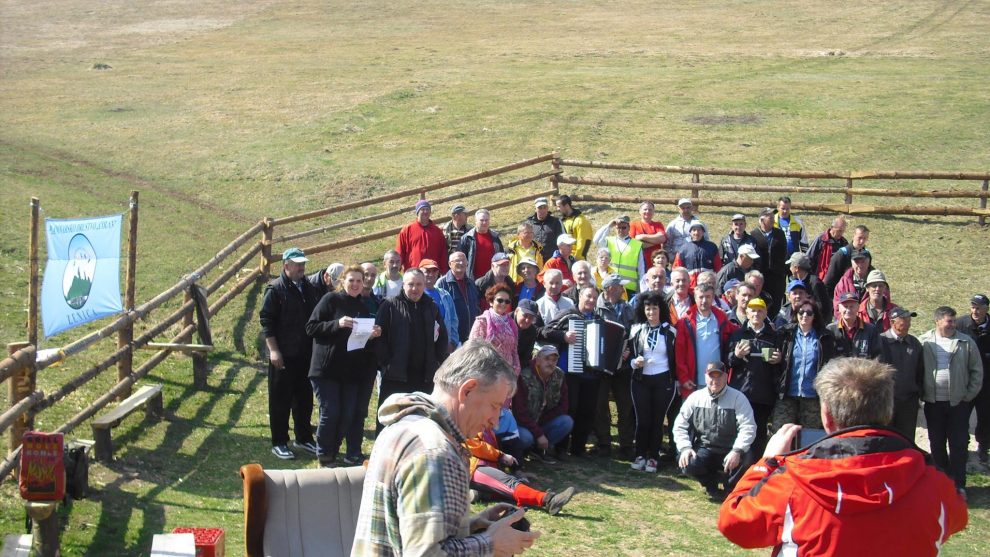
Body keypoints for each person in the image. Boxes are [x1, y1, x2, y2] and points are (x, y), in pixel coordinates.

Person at [718, 357, 968, 556]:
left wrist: (767, 463)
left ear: (827, 417)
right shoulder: (934, 482)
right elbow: (956, 518)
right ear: (888, 411)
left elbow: (734, 522)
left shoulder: (792, 481)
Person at [353, 340, 540, 556]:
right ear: (467, 390)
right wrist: (490, 543)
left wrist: (469, 526)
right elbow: (425, 553)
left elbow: (405, 532)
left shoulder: (402, 426)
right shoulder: (435, 452)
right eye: (494, 406)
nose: (496, 421)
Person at [305, 265, 382, 466]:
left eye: (359, 281)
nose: (355, 284)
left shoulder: (363, 307)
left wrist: (372, 336)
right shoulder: (330, 299)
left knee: (347, 414)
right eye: (351, 280)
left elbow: (359, 341)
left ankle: (334, 450)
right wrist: (336, 324)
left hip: (350, 371)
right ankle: (324, 455)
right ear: (342, 281)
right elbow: (311, 327)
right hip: (326, 368)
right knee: (331, 411)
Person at [259, 247, 321, 460]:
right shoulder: (275, 289)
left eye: (303, 264)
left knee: (304, 398)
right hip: (283, 354)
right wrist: (274, 351)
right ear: (286, 265)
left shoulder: (307, 287)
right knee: (280, 400)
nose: (302, 268)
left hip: (305, 353)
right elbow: (267, 322)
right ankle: (279, 442)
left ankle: (303, 437)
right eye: (298, 264)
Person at [919, 306, 984, 496]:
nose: (953, 324)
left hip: (958, 404)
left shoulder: (966, 342)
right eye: (949, 321)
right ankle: (941, 483)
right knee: (936, 443)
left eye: (954, 321)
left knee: (958, 444)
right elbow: (917, 369)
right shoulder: (924, 342)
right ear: (937, 321)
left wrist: (968, 395)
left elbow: (977, 371)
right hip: (933, 404)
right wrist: (922, 394)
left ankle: (959, 484)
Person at [374, 269, 449, 430]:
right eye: (411, 284)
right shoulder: (389, 305)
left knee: (421, 423)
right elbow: (379, 338)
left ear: (424, 285)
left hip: (425, 377)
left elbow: (442, 337)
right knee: (390, 422)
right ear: (403, 285)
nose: (415, 288)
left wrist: (437, 362)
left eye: (419, 284)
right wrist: (386, 363)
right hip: (396, 377)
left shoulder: (432, 307)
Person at [675, 361, 756, 499]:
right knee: (687, 463)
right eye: (711, 376)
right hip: (705, 448)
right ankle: (710, 485)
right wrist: (685, 448)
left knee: (748, 458)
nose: (715, 381)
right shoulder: (695, 398)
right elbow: (679, 425)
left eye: (719, 376)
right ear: (705, 377)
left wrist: (737, 450)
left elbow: (748, 427)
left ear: (726, 377)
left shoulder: (738, 398)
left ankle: (730, 488)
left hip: (730, 449)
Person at [544, 287, 603, 456]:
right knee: (570, 408)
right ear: (580, 296)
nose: (591, 300)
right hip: (569, 372)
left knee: (587, 411)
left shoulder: (598, 320)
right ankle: (561, 448)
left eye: (595, 298)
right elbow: (545, 331)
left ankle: (578, 448)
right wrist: (563, 336)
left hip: (591, 374)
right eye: (588, 296)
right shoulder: (568, 314)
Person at [465, 430, 576, 515]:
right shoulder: (471, 420)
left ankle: (481, 494)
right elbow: (473, 445)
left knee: (513, 485)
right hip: (474, 468)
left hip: (485, 467)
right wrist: (500, 455)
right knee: (510, 484)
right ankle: (549, 500)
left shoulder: (486, 423)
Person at [628, 290, 678, 473]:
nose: (651, 312)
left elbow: (676, 357)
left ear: (661, 309)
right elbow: (628, 355)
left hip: (663, 379)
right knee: (642, 420)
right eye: (647, 308)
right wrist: (634, 362)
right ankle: (640, 455)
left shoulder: (671, 331)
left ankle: (654, 457)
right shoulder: (636, 329)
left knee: (657, 420)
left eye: (654, 308)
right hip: (640, 379)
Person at [727, 297, 782, 454]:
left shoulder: (774, 336)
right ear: (747, 313)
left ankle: (756, 463)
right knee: (738, 429)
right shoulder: (737, 335)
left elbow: (782, 366)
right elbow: (727, 361)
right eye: (753, 310)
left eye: (760, 310)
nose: (756, 314)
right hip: (740, 392)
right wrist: (736, 355)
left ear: (765, 313)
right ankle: (736, 462)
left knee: (759, 431)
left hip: (764, 394)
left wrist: (779, 360)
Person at [772, 299, 834, 433]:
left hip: (812, 395)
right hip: (787, 393)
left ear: (814, 316)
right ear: (796, 314)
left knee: (810, 435)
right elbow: (777, 361)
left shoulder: (824, 336)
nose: (805, 315)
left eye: (809, 313)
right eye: (801, 312)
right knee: (780, 432)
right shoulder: (785, 333)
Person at [592, 275, 637, 458]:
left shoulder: (628, 308)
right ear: (610, 288)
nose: (622, 289)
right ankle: (604, 444)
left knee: (625, 406)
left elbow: (634, 334)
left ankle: (626, 445)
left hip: (623, 367)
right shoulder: (596, 308)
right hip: (602, 366)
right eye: (619, 286)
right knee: (600, 405)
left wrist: (629, 351)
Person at [675, 283, 737, 401]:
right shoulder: (685, 321)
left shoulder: (721, 318)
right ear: (695, 297)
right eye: (701, 297)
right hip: (694, 381)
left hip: (717, 380)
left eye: (708, 297)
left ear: (713, 297)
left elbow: (735, 332)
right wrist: (683, 377)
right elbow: (680, 353)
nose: (704, 300)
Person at [513, 344, 574, 458]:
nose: (550, 363)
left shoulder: (560, 375)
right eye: (547, 359)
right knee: (526, 438)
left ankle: (538, 450)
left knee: (566, 422)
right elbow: (520, 413)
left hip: (542, 422)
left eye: (554, 360)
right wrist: (538, 434)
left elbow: (563, 406)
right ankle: (522, 451)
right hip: (522, 424)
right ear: (538, 360)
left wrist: (540, 427)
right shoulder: (524, 376)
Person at [881, 306, 924, 440]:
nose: (908, 322)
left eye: (909, 319)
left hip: (908, 403)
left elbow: (920, 371)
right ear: (892, 322)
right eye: (904, 319)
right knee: (886, 439)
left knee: (906, 439)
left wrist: (918, 393)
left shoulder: (914, 343)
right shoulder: (880, 341)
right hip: (885, 402)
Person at [958, 294, 990, 464]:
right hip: (966, 380)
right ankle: (962, 446)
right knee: (962, 416)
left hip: (987, 381)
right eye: (973, 307)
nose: (975, 311)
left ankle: (983, 447)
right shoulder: (961, 324)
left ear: (986, 309)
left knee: (986, 416)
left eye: (978, 308)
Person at [470, 284, 522, 377]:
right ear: (491, 302)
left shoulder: (512, 324)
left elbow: (514, 351)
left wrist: (516, 369)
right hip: (487, 372)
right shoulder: (482, 321)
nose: (503, 304)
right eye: (500, 300)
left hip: (508, 374)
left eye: (507, 301)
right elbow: (474, 349)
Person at [593, 215, 645, 296]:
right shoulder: (609, 241)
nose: (621, 230)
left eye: (624, 227)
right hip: (611, 285)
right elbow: (596, 240)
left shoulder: (637, 245)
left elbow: (641, 270)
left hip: (629, 288)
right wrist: (609, 225)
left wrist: (642, 290)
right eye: (618, 228)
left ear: (629, 228)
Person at [437, 250, 481, 345]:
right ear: (450, 264)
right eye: (457, 261)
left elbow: (476, 307)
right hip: (453, 339)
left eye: (463, 261)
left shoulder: (471, 283)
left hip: (471, 337)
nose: (461, 263)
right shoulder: (442, 283)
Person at [751, 207, 787, 317]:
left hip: (777, 278)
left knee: (776, 306)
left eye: (773, 217)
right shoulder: (753, 235)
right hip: (761, 277)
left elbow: (784, 254)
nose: (772, 219)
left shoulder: (779, 234)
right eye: (769, 217)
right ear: (761, 220)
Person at [396, 199, 448, 274]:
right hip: (413, 272)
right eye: (422, 209)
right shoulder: (407, 230)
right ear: (417, 212)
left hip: (432, 273)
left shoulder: (437, 232)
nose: (425, 212)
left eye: (427, 209)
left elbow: (443, 253)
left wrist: (444, 271)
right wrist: (397, 268)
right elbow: (400, 251)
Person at [827, 292, 884, 360]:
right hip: (838, 367)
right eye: (845, 306)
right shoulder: (830, 330)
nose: (848, 310)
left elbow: (878, 356)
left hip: (863, 367)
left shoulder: (871, 330)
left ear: (858, 308)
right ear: (839, 308)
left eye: (852, 306)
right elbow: (826, 357)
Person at [421, 259, 460, 350]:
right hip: (422, 348)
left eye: (434, 271)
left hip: (444, 347)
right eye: (427, 271)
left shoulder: (445, 295)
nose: (431, 274)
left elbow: (454, 320)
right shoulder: (416, 295)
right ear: (420, 273)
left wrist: (453, 342)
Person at [824, 224, 870, 296]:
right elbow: (829, 281)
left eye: (865, 238)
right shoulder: (842, 254)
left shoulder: (867, 255)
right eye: (859, 238)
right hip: (842, 296)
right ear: (854, 236)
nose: (862, 241)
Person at [459, 209, 505, 280]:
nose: (484, 222)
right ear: (476, 221)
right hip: (473, 280)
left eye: (486, 220)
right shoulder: (467, 238)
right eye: (481, 220)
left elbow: (501, 257)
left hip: (493, 279)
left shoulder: (495, 237)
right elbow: (461, 260)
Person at [831, 249, 875, 321]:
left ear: (869, 261)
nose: (860, 265)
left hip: (872, 322)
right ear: (852, 263)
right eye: (857, 262)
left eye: (863, 261)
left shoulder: (877, 281)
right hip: (848, 322)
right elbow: (837, 308)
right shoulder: (843, 282)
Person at [785, 252, 830, 320]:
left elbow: (823, 307)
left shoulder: (815, 283)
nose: (790, 268)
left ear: (796, 268)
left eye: (791, 265)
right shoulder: (796, 281)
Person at [806, 215, 848, 282]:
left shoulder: (844, 243)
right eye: (839, 231)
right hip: (820, 279)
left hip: (837, 280)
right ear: (832, 227)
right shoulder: (821, 240)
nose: (841, 234)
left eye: (843, 231)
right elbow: (808, 258)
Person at [629, 201, 667, 266]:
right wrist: (656, 241)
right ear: (640, 211)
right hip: (639, 261)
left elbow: (662, 238)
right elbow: (633, 244)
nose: (647, 211)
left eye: (650, 210)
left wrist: (642, 237)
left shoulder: (658, 225)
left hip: (655, 262)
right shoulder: (633, 225)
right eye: (645, 209)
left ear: (653, 212)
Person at [555, 194, 593, 260]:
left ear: (566, 206)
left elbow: (584, 243)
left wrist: (577, 259)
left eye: (559, 206)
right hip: (564, 258)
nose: (557, 209)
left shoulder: (581, 221)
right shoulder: (563, 220)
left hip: (575, 259)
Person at [527, 197, 564, 262]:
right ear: (535, 209)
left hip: (553, 261)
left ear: (547, 208)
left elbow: (563, 241)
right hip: (534, 261)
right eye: (540, 208)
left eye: (544, 207)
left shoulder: (556, 222)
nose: (542, 210)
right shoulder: (529, 224)